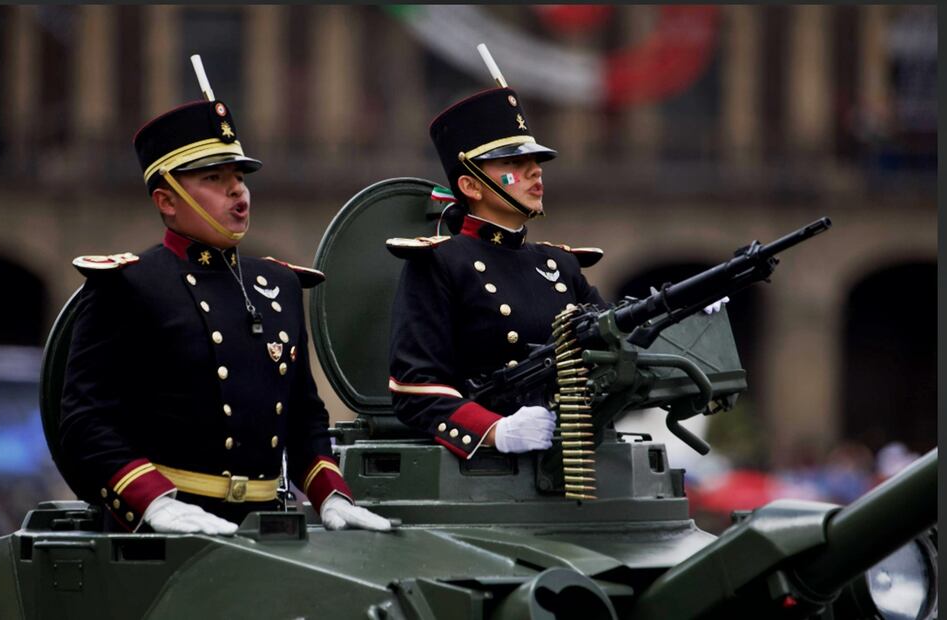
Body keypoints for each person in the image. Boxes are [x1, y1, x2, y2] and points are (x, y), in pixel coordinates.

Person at [59, 91, 389, 535]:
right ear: (167, 201)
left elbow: (304, 417)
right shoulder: (129, 284)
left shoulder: (280, 285)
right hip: (168, 526)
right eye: (214, 178)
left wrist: (330, 492)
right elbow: (85, 421)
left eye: (239, 176)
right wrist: (152, 502)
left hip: (270, 525)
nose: (237, 189)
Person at [386, 85, 608, 460]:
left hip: (572, 455)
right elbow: (414, 388)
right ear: (471, 185)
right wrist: (492, 430)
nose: (534, 171)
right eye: (512, 164)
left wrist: (681, 310)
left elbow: (614, 338)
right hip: (489, 469)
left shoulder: (560, 265)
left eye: (534, 162)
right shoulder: (441, 263)